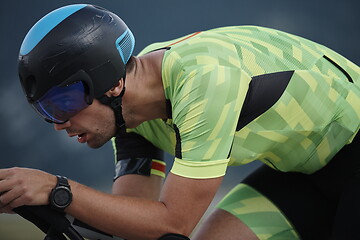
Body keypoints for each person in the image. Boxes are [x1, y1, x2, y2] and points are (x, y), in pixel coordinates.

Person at [0, 3, 359, 240]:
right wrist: (43, 199)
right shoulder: (131, 109)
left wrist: (56, 188)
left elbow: (174, 222)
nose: (57, 123)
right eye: (44, 110)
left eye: (62, 103)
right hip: (301, 174)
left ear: (112, 84)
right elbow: (136, 224)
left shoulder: (203, 83)